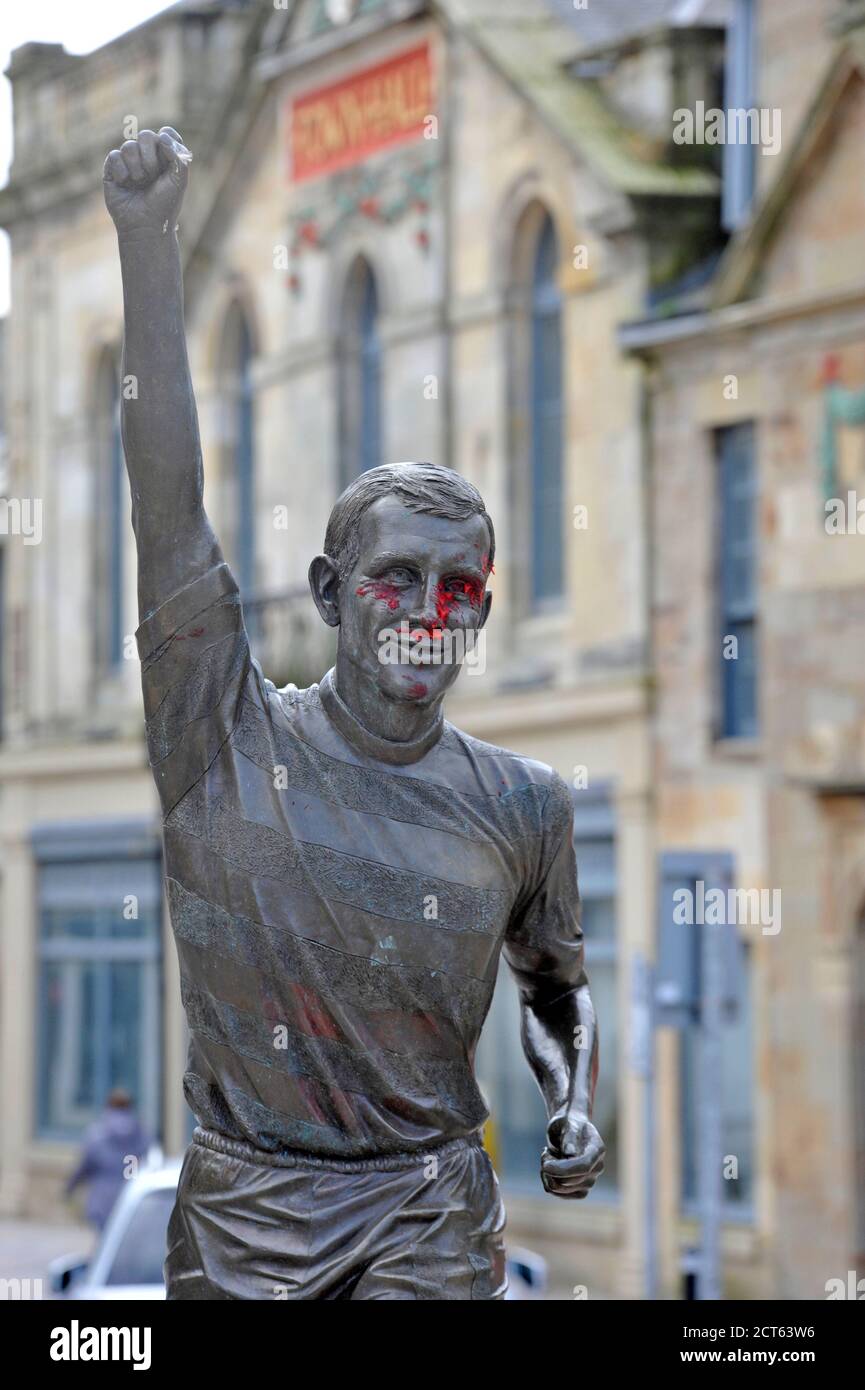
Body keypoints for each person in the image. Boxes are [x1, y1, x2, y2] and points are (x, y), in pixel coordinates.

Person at [102, 127, 604, 1301]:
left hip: (428, 1212)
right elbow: (165, 498)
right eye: (395, 580)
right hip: (243, 1218)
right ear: (332, 594)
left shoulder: (525, 806)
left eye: (460, 587)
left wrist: (574, 1098)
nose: (429, 612)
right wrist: (148, 246)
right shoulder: (222, 736)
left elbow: (555, 984)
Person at [65, 1088, 150, 1232]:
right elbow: (148, 1164)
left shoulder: (97, 1133)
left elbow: (85, 1166)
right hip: (130, 1199)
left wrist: (69, 1188)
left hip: (102, 1201)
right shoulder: (142, 1134)